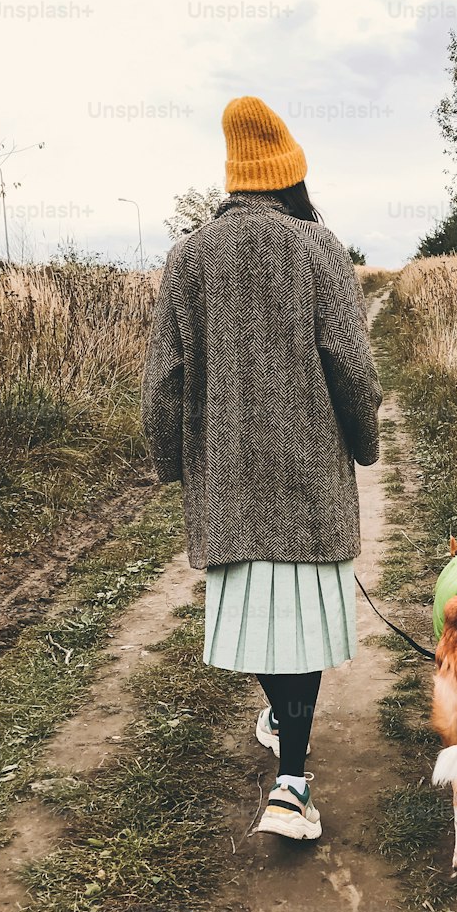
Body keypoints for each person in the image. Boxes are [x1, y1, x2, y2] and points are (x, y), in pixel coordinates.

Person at [141, 95, 382, 841]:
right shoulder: (319, 249)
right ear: (290, 176)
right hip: (308, 481)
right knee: (300, 632)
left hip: (231, 488)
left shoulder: (188, 259)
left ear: (235, 177)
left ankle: (283, 732)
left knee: (256, 623)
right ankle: (292, 782)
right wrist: (365, 441)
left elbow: (163, 381)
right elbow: (352, 368)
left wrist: (171, 461)